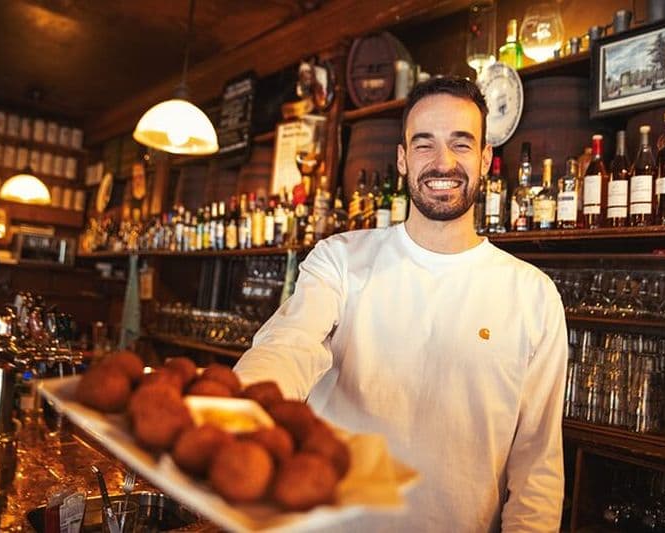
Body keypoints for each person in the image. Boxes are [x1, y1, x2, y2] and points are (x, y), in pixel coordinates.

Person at [234, 76, 568, 532]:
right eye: (424, 144)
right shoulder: (341, 259)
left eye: (461, 144)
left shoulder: (533, 294)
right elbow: (288, 344)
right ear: (402, 160)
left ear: (486, 160)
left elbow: (537, 463)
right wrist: (239, 411)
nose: (443, 162)